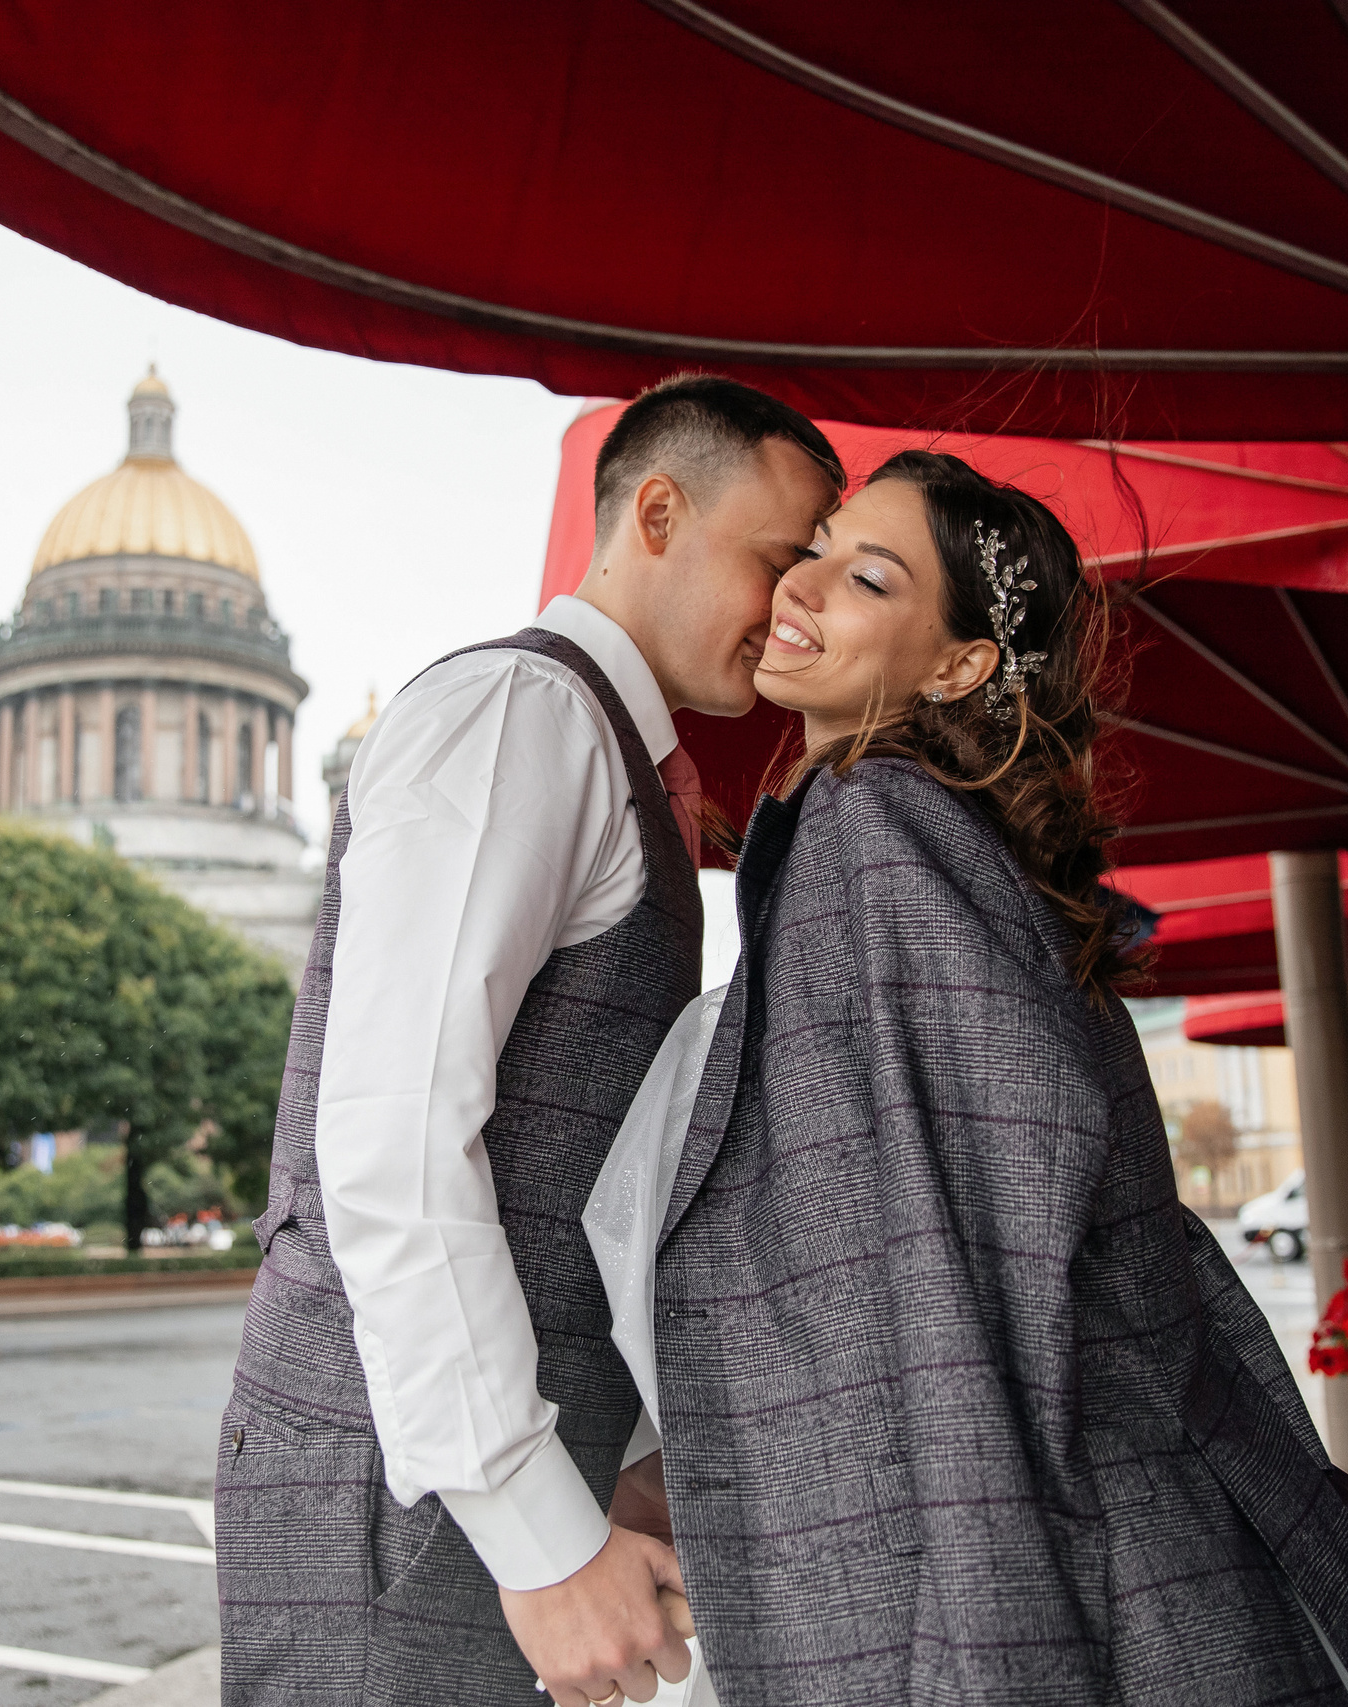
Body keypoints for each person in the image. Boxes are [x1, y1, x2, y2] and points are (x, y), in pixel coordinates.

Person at [585, 450, 1348, 1706]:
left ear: (959, 664)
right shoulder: (901, 834)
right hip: (1119, 1553)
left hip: (1060, 1590)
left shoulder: (881, 829)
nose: (800, 584)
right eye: (810, 548)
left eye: (865, 576)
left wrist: (990, 1638)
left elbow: (960, 1269)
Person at [215, 374, 844, 1706]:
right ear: (657, 513)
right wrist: (538, 1532)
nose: (796, 606)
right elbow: (387, 1142)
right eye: (781, 559)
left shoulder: (606, 745)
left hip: (482, 1476)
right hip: (413, 1489)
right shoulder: (522, 713)